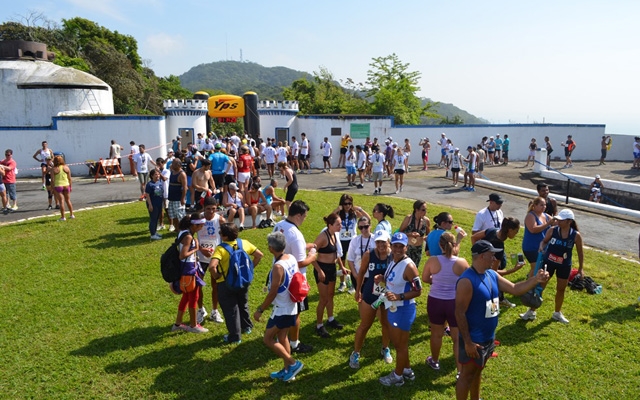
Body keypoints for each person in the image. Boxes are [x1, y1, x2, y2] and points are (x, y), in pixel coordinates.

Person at [455, 240, 550, 400]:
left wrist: (536, 280)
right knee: (466, 376)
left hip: (488, 337)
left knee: (478, 371)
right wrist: (468, 342)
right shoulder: (467, 281)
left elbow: (514, 289)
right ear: (481, 256)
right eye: (491, 255)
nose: (494, 258)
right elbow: (459, 313)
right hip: (474, 341)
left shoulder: (491, 274)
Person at [254, 231, 305, 382]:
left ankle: (293, 363)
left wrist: (260, 310)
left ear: (271, 248)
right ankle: (287, 371)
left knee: (268, 339)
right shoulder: (291, 258)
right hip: (292, 306)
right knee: (282, 337)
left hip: (282, 309)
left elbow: (272, 293)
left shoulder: (278, 267)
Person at [520, 209, 584, 324]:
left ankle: (557, 313)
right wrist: (541, 246)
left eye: (561, 220)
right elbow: (544, 242)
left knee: (561, 289)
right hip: (548, 263)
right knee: (540, 287)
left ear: (569, 221)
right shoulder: (552, 230)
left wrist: (580, 269)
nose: (558, 221)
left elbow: (580, 252)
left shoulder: (575, 236)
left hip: (564, 265)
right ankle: (531, 311)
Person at [376, 232, 422, 386]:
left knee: (399, 346)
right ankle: (407, 370)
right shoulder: (394, 260)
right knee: (400, 345)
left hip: (403, 310)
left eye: (401, 246)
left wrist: (399, 296)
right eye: (395, 245)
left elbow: (418, 290)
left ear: (406, 248)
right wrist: (382, 278)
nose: (397, 248)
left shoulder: (409, 266)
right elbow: (394, 280)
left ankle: (397, 376)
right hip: (395, 309)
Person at [422, 232, 470, 376]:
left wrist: (436, 280)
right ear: (455, 245)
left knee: (436, 334)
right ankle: (460, 371)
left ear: (439, 245)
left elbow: (425, 278)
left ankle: (434, 360)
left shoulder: (432, 261)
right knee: (457, 338)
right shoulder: (462, 262)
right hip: (454, 303)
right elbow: (468, 283)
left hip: (435, 301)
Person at [273, 200, 316, 353]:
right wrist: (313, 256)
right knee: (295, 313)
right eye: (304, 216)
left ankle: (281, 337)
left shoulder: (279, 226)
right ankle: (294, 343)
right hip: (294, 282)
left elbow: (286, 248)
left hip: (280, 277)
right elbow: (300, 262)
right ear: (298, 215)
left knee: (283, 308)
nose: (304, 219)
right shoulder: (296, 234)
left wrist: (305, 246)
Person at [210, 222, 263, 343]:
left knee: (231, 309)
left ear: (224, 236)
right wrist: (249, 269)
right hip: (243, 281)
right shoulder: (243, 243)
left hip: (226, 283)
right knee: (243, 303)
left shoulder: (221, 249)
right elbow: (259, 255)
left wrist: (216, 275)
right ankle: (247, 327)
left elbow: (212, 266)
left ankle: (235, 337)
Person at [350, 229, 393, 369]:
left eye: (383, 242)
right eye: (378, 242)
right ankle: (356, 353)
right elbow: (362, 272)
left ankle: (385, 348)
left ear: (388, 242)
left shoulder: (393, 255)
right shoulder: (369, 254)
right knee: (365, 324)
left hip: (387, 294)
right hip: (370, 292)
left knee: (386, 324)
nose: (381, 245)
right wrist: (358, 291)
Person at [471, 217, 525, 308]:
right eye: (516, 231)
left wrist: (478, 253)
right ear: (510, 230)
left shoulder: (493, 230)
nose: (517, 234)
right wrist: (514, 270)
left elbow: (474, 237)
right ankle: (493, 312)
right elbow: (494, 272)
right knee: (492, 301)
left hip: (480, 268)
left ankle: (497, 303)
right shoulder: (498, 246)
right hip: (487, 278)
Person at [170, 213, 209, 334]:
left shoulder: (184, 232)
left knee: (186, 297)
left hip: (186, 268)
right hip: (188, 269)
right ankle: (193, 325)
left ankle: (177, 324)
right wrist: (196, 248)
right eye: (201, 225)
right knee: (193, 297)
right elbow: (183, 255)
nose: (202, 227)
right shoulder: (188, 237)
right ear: (195, 225)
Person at [311, 213, 348, 338]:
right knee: (324, 299)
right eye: (338, 224)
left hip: (332, 268)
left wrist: (342, 267)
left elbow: (336, 253)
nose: (341, 226)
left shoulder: (335, 235)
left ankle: (331, 319)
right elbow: (311, 255)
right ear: (330, 225)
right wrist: (319, 270)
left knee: (330, 295)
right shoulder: (322, 237)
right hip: (322, 269)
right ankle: (319, 325)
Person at [196, 196, 226, 325]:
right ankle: (200, 309)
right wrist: (201, 249)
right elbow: (191, 237)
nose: (211, 212)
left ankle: (215, 311)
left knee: (216, 285)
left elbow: (226, 237)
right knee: (197, 285)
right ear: (204, 208)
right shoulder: (198, 219)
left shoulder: (220, 220)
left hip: (215, 257)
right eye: (208, 209)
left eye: (214, 209)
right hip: (200, 256)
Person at [333, 194, 370, 292]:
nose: (347, 206)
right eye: (345, 204)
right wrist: (337, 209)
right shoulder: (338, 214)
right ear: (341, 204)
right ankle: (342, 282)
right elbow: (329, 219)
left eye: (349, 203)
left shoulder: (354, 213)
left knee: (353, 262)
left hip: (352, 241)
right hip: (341, 240)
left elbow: (368, 219)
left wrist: (360, 209)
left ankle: (353, 283)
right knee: (342, 262)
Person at [522, 196, 556, 278]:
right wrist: (548, 224)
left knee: (539, 267)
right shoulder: (530, 216)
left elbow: (556, 223)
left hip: (542, 247)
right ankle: (528, 286)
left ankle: (532, 284)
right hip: (531, 247)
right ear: (535, 205)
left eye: (545, 205)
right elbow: (533, 229)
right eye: (541, 205)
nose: (544, 207)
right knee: (536, 268)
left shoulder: (546, 216)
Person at [399, 200, 430, 266]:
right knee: (404, 267)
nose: (425, 212)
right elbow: (400, 233)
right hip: (407, 248)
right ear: (416, 210)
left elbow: (428, 235)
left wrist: (424, 238)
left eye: (425, 210)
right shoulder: (408, 219)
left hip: (418, 249)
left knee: (414, 268)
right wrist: (410, 234)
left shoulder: (426, 221)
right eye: (423, 210)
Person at [50, 155, 74, 221]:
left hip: (58, 186)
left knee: (61, 202)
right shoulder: (66, 168)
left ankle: (63, 217)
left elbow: (52, 180)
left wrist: (52, 188)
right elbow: (69, 178)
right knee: (68, 200)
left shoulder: (53, 169)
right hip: (66, 185)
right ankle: (72, 214)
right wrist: (70, 186)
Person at [167, 158, 188, 232]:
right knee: (173, 215)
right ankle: (177, 228)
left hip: (178, 198)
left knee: (180, 215)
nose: (171, 165)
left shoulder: (182, 174)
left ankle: (183, 229)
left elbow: (185, 187)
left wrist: (182, 199)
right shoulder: (172, 172)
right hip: (171, 198)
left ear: (178, 165)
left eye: (173, 163)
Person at [145, 169, 164, 239]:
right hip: (153, 204)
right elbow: (147, 195)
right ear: (152, 176)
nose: (158, 176)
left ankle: (155, 232)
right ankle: (152, 234)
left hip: (159, 204)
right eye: (156, 174)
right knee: (153, 218)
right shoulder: (150, 184)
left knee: (157, 218)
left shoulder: (159, 183)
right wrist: (150, 205)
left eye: (158, 174)